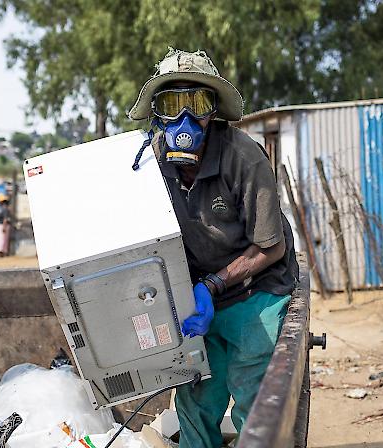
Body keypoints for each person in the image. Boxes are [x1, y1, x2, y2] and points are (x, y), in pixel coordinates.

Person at [129, 49, 299, 448]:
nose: (184, 120)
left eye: (198, 104)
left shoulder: (243, 157)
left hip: (257, 290)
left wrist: (213, 285)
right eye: (172, 105)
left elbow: (270, 247)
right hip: (197, 293)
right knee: (196, 398)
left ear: (213, 112)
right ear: (157, 114)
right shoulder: (149, 162)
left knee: (252, 398)